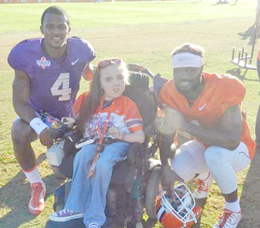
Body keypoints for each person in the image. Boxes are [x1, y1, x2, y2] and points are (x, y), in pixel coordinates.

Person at [137, 43, 255, 228]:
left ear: (201, 68)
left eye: (190, 70)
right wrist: (166, 165)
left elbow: (231, 140)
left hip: (238, 150)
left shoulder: (225, 86)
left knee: (214, 155)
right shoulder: (169, 91)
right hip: (204, 145)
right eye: (179, 71)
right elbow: (168, 134)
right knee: (177, 166)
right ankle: (204, 177)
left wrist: (185, 126)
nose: (184, 77)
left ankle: (233, 209)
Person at [7, 6, 95, 216]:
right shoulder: (25, 54)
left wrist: (113, 73)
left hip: (68, 115)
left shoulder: (81, 50)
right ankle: (37, 184)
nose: (56, 31)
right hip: (38, 113)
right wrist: (39, 126)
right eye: (50, 26)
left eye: (61, 26)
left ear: (69, 28)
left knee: (62, 172)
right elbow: (19, 102)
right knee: (19, 132)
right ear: (42, 29)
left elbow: (90, 75)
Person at [49, 59, 145, 228]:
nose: (116, 83)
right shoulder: (88, 100)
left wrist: (122, 134)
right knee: (82, 156)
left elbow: (139, 137)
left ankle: (95, 217)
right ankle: (74, 207)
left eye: (119, 78)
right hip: (93, 142)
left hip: (118, 144)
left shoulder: (128, 105)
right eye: (109, 79)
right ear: (99, 84)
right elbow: (80, 120)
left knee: (102, 163)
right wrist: (72, 122)